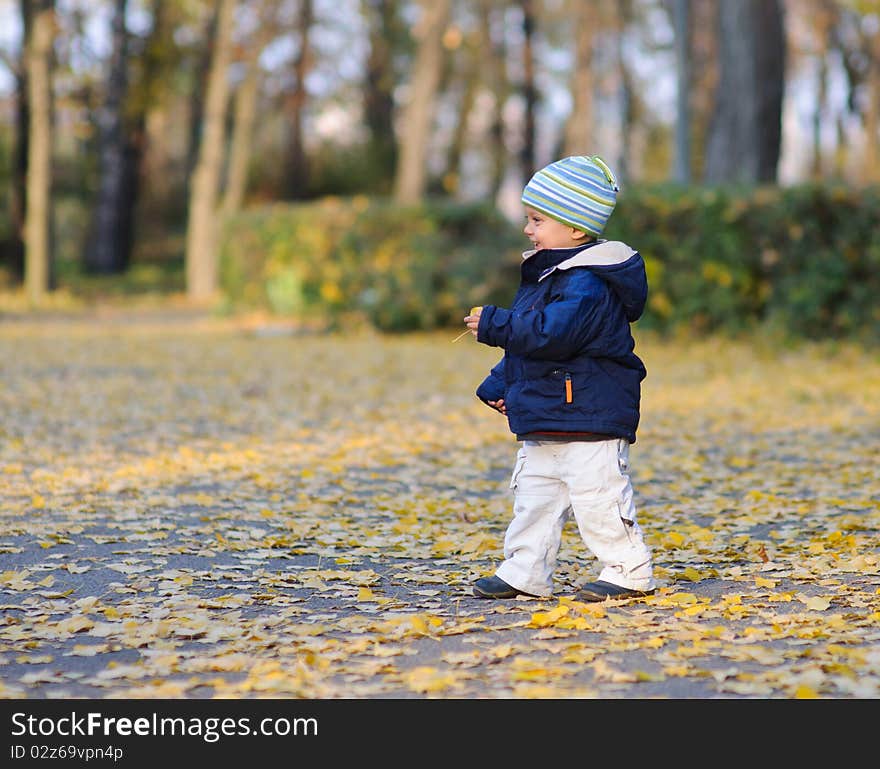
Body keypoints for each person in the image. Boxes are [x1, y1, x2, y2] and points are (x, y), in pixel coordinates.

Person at [463, 154, 656, 602]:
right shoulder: (551, 276)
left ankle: (629, 569)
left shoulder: (588, 284)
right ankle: (526, 569)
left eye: (537, 220)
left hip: (589, 414)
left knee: (599, 498)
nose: (528, 230)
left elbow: (552, 336)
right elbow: (529, 348)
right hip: (550, 413)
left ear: (574, 228)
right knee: (535, 497)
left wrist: (496, 324)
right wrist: (499, 385)